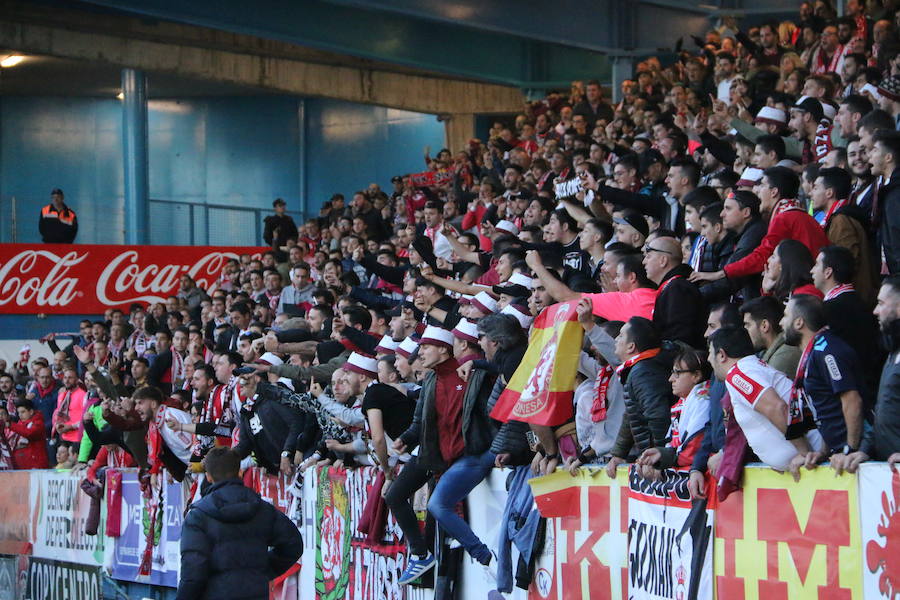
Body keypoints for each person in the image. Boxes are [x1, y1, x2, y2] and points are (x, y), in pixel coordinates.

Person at [176, 447, 303, 600]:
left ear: (208, 477)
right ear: (240, 473)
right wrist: (262, 572)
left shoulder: (198, 515)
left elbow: (193, 572)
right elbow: (293, 544)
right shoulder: (262, 508)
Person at [8, 400, 49, 469]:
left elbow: (29, 433)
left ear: (31, 412)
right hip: (20, 466)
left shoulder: (38, 423)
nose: (20, 415)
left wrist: (10, 425)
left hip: (36, 465)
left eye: (23, 412)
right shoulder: (18, 425)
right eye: (18, 413)